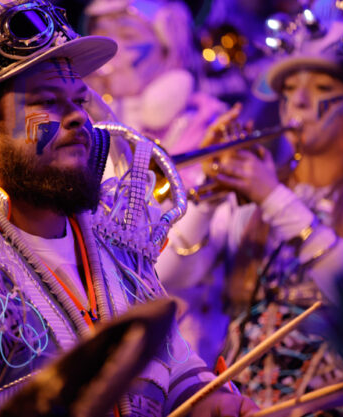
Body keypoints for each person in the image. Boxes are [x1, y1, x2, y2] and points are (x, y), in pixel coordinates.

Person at [0, 0, 256, 416]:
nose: (77, 118)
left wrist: (206, 399)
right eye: (48, 102)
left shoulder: (115, 244)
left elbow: (174, 367)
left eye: (79, 102)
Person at [193, 1, 343, 409]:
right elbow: (171, 280)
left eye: (323, 89)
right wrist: (206, 195)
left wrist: (274, 199)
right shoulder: (260, 191)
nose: (300, 103)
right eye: (290, 90)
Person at [83, 0, 231, 365]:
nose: (113, 50)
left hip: (185, 335)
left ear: (169, 44)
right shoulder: (83, 125)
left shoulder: (209, 124)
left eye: (128, 34)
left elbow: (180, 270)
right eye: (102, 33)